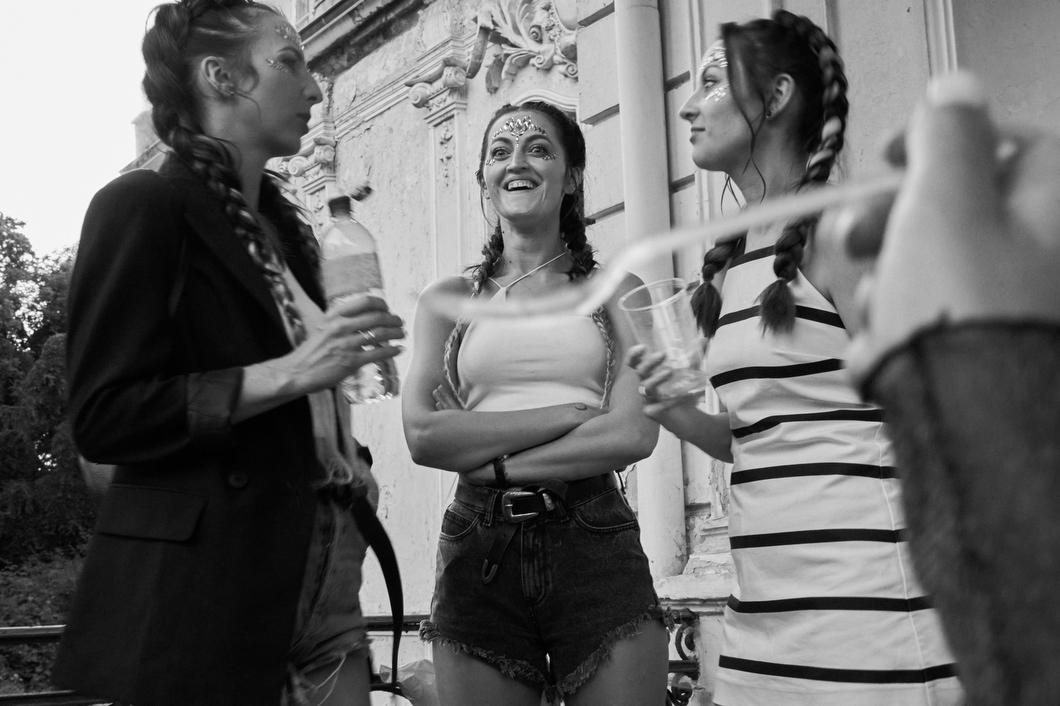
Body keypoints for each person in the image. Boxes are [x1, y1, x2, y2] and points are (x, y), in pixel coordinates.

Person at [52, 2, 404, 705]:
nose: (314, 88)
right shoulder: (140, 204)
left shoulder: (285, 232)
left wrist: (348, 459)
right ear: (221, 76)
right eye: (289, 62)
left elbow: (303, 400)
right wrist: (295, 371)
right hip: (209, 590)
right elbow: (105, 416)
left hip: (327, 570)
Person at [629, 11, 964, 705]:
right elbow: (762, 435)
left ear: (776, 97)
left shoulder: (843, 229)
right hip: (763, 613)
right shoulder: (730, 261)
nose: (689, 106)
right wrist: (676, 412)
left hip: (870, 608)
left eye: (713, 83)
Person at [401, 101, 667, 705]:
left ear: (572, 177)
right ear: (484, 179)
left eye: (538, 149)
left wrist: (487, 457)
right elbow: (424, 436)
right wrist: (568, 415)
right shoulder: (447, 301)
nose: (516, 162)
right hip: (479, 546)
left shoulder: (616, 292)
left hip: (592, 532)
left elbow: (632, 434)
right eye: (500, 152)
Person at [824, 70, 1060, 705]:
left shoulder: (829, 234)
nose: (689, 108)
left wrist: (975, 364)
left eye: (714, 81)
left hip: (863, 580)